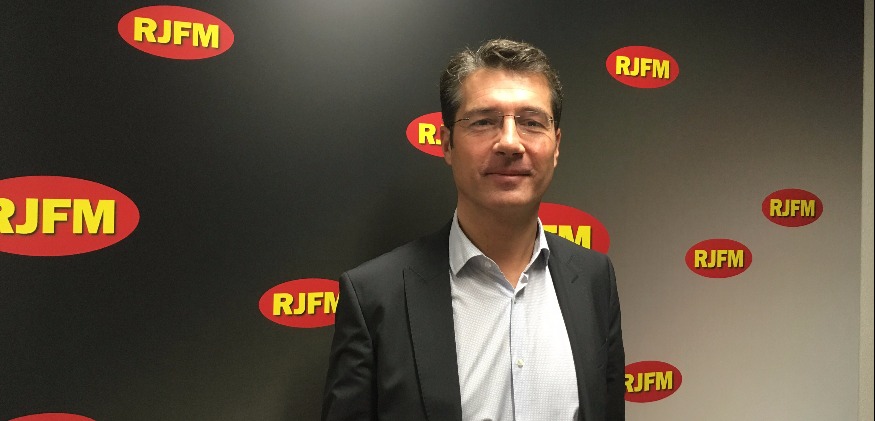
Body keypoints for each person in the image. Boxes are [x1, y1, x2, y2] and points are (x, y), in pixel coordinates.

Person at [322, 38, 625, 421]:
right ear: (447, 144)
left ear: (557, 146)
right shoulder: (374, 298)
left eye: (532, 123)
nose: (510, 142)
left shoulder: (595, 280)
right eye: (484, 121)